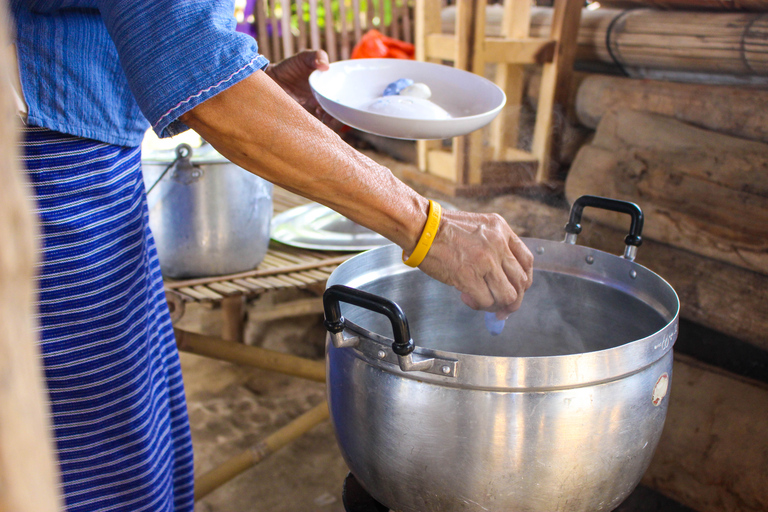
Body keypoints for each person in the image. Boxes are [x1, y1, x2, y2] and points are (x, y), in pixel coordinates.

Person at [10, 0, 533, 510]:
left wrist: (257, 98)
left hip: (92, 180)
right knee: (88, 459)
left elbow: (154, 49)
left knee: (135, 430)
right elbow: (191, 55)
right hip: (40, 189)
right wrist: (429, 229)